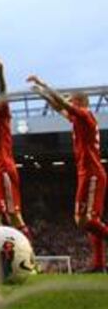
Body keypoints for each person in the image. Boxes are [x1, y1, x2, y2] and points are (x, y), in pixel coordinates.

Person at [27, 75, 107, 272]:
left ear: (79, 102)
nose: (69, 102)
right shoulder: (78, 119)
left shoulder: (86, 116)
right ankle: (98, 263)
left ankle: (98, 262)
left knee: (84, 220)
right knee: (90, 220)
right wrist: (43, 95)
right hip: (87, 173)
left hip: (92, 173)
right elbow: (59, 107)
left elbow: (62, 103)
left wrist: (45, 84)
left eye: (72, 100)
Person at [0, 56, 31, 239]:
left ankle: (29, 260)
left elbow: (2, 93)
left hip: (3, 168)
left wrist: (0, 73)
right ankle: (2, 261)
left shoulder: (0, 114)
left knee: (13, 215)